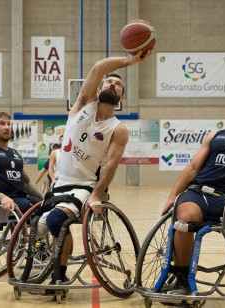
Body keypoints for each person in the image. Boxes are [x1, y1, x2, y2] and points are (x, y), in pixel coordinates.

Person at [37, 50, 152, 288]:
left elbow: (111, 165)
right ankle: (50, 260)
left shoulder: (118, 129)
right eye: (109, 81)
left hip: (84, 186)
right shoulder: (82, 105)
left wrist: (97, 194)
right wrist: (130, 61)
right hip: (59, 182)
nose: (113, 83)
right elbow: (99, 66)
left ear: (121, 98)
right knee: (37, 226)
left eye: (118, 84)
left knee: (57, 220)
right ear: (98, 91)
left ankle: (60, 271)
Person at [161, 90, 225, 295]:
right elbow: (192, 168)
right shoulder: (215, 135)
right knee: (184, 217)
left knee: (188, 218)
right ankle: (182, 279)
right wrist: (173, 195)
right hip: (199, 193)